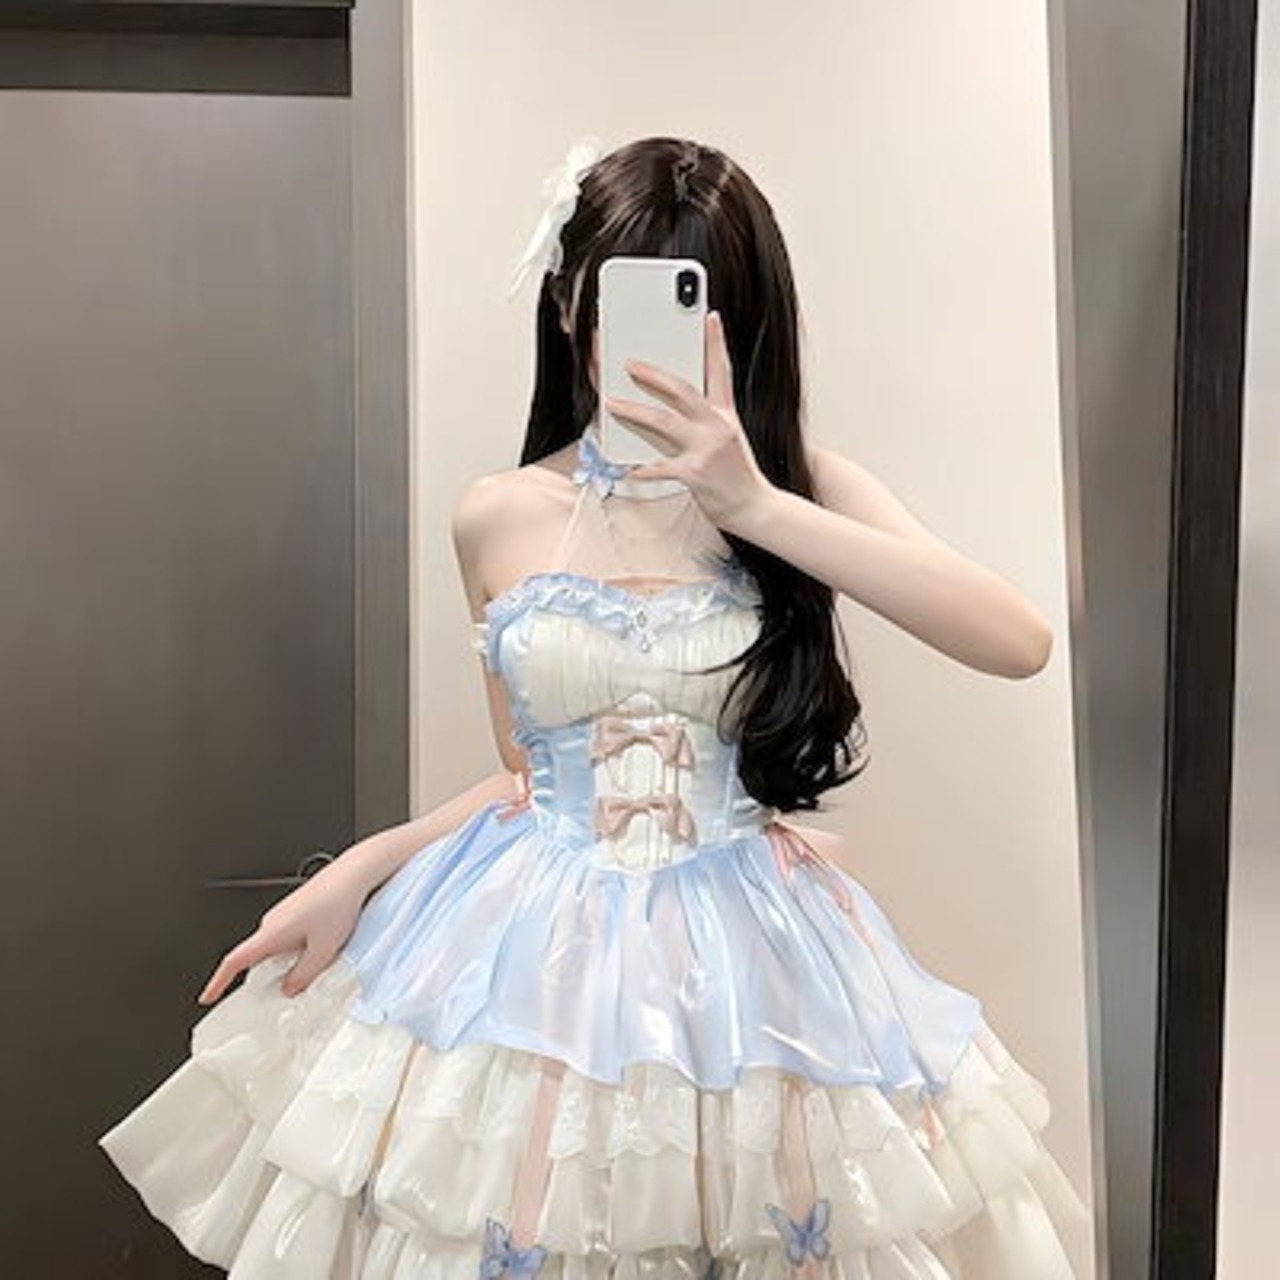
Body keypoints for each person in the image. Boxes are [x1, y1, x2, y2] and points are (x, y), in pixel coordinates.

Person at [98, 134, 1094, 1278]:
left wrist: (753, 506)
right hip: (534, 947)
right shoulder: (497, 513)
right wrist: (363, 867)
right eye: (621, 305)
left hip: (750, 956)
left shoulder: (803, 488)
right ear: (570, 307)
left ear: (744, 323)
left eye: (697, 306)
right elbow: (528, 777)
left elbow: (1014, 639)